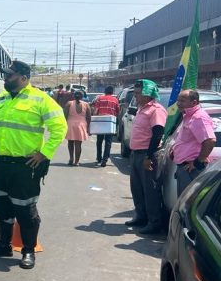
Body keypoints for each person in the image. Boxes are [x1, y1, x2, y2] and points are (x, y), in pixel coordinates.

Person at [0, 60, 67, 269]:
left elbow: (60, 127)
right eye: (6, 75)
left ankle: (28, 250)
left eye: (10, 76)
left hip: (24, 166)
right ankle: (3, 245)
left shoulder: (40, 99)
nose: (6, 79)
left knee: (25, 210)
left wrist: (44, 153)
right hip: (0, 164)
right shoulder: (0, 99)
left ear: (24, 78)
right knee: (0, 205)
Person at [126, 79, 167, 234]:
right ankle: (141, 216)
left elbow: (157, 134)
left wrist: (149, 157)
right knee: (137, 188)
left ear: (148, 94)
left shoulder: (156, 110)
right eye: (135, 93)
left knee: (149, 190)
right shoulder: (141, 108)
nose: (135, 96)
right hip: (136, 153)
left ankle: (154, 222)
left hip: (147, 154)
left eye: (138, 93)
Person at [171, 89, 216, 195]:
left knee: (187, 204)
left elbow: (210, 140)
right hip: (185, 167)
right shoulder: (188, 116)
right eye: (178, 100)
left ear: (194, 102)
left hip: (191, 169)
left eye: (182, 101)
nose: (178, 103)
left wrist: (197, 162)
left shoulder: (198, 117)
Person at [92, 86, 120, 167]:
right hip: (110, 122)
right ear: (112, 92)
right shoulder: (115, 100)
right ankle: (105, 159)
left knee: (99, 141)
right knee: (108, 142)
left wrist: (94, 119)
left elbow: (96, 110)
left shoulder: (100, 98)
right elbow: (117, 111)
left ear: (105, 91)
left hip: (100, 121)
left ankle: (99, 158)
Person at [64, 90, 91, 166]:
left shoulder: (69, 103)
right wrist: (88, 127)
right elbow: (89, 117)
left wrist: (64, 125)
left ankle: (71, 159)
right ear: (82, 96)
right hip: (81, 125)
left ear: (74, 96)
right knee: (78, 144)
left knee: (70, 143)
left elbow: (65, 116)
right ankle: (77, 161)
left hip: (70, 124)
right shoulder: (86, 104)